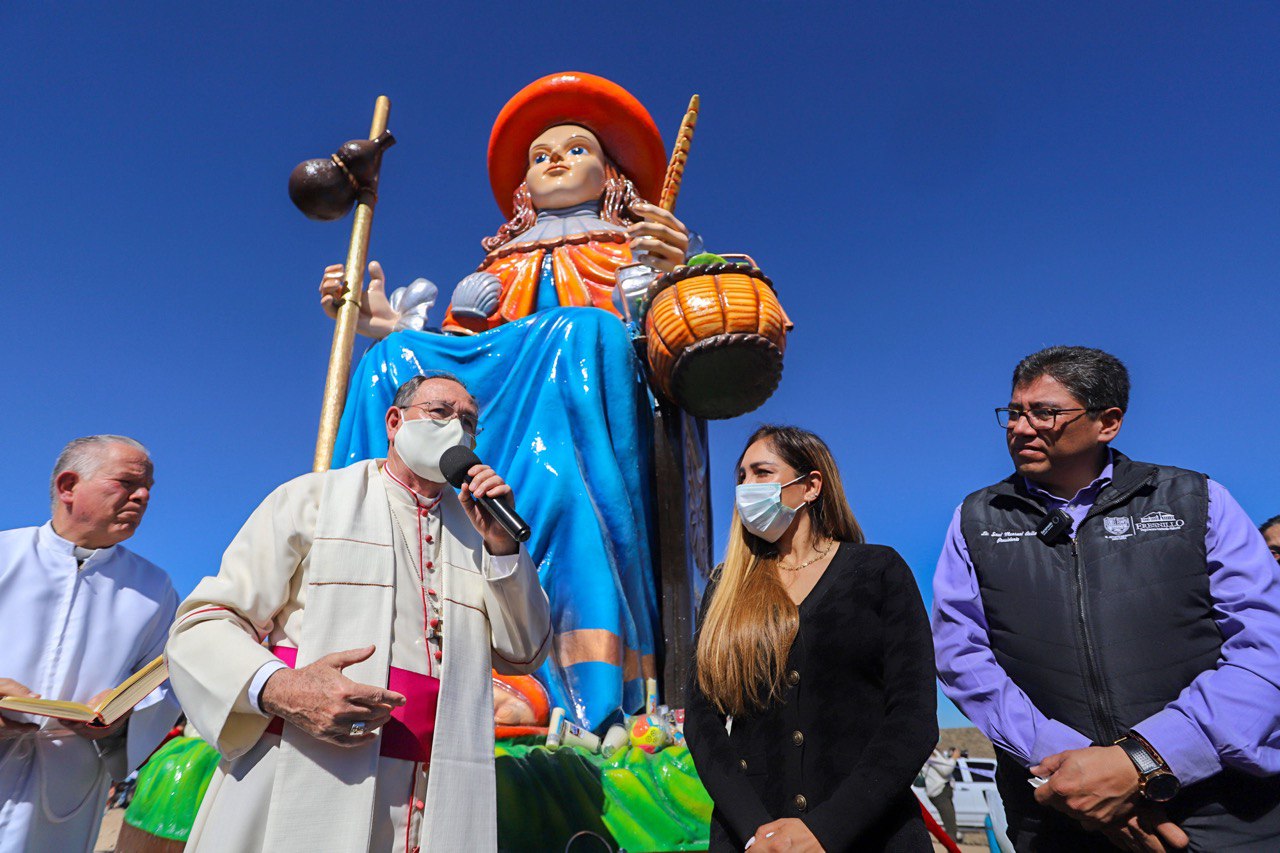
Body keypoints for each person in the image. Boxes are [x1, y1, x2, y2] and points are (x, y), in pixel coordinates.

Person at [312, 72, 698, 730]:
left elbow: (656, 335)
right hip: (492, 399)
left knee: (583, 341)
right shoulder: (496, 267)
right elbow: (466, 359)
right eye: (540, 155)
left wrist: (666, 278)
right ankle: (351, 602)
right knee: (391, 362)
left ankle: (557, 683)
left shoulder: (631, 249)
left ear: (611, 177)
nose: (553, 160)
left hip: (577, 410)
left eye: (576, 149)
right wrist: (391, 327)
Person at [167, 373, 551, 852]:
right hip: (300, 761)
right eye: (440, 412)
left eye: (469, 421)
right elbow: (203, 623)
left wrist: (502, 548)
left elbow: (525, 650)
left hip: (439, 790)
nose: (458, 428)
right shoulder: (311, 499)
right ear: (394, 422)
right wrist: (281, 687)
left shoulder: (484, 534)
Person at [932, 346, 1280, 852]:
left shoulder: (1196, 500)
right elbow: (963, 658)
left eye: (1045, 413)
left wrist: (1144, 760)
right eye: (1013, 412)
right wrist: (1074, 772)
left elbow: (1265, 648)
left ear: (1108, 422)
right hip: (1055, 811)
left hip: (1225, 809)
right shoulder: (976, 519)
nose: (1020, 428)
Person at [685, 426, 937, 852]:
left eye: (762, 472)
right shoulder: (725, 588)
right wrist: (755, 830)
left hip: (872, 833)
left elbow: (912, 718)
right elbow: (702, 723)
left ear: (810, 486)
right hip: (753, 841)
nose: (746, 488)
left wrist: (827, 828)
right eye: (741, 477)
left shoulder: (879, 571)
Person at [0, 435, 179, 853]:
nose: (143, 496)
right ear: (68, 486)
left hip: (68, 783)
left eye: (148, 487)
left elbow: (165, 683)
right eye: (127, 483)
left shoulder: (154, 588)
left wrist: (123, 714)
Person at [922, 745, 961, 842]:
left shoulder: (933, 751)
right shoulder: (930, 752)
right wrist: (954, 758)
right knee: (950, 827)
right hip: (939, 792)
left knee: (951, 825)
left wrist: (949, 757)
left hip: (944, 791)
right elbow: (945, 770)